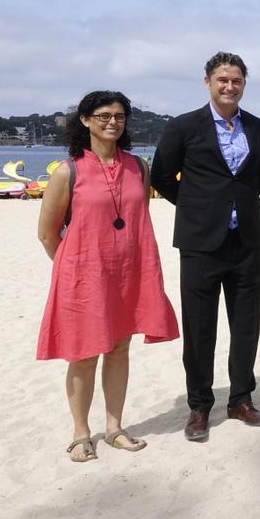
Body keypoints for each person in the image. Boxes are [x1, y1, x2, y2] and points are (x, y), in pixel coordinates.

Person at [37, 91, 179, 462]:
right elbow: (48, 233)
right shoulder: (68, 171)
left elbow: (135, 219)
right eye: (103, 116)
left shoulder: (138, 167)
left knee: (119, 350)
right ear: (84, 121)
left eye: (119, 116)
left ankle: (114, 427)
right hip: (83, 277)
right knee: (83, 354)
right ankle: (81, 433)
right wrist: (75, 270)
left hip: (129, 275)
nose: (112, 122)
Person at [151, 51, 260, 442]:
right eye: (222, 79)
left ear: (243, 84)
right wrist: (198, 205)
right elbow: (161, 176)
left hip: (246, 242)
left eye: (236, 80)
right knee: (200, 329)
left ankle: (241, 399)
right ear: (208, 82)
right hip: (200, 243)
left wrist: (233, 204)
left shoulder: (258, 128)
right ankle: (199, 406)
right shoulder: (184, 126)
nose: (229, 86)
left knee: (246, 328)